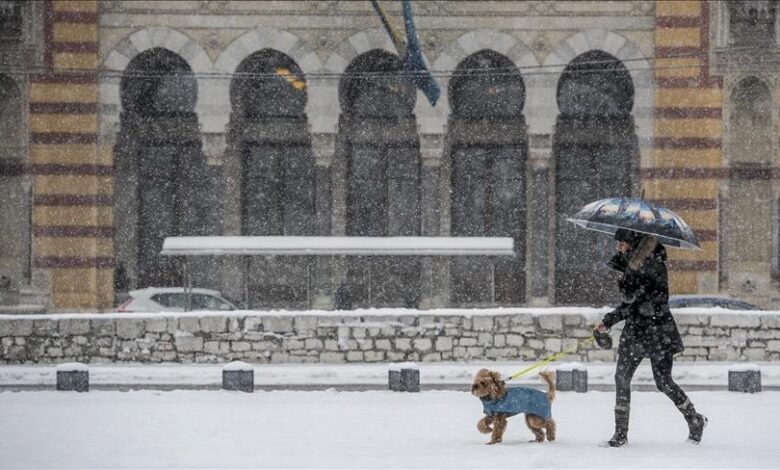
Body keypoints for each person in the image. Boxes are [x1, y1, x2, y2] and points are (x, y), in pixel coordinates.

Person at [594, 228, 707, 447]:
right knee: (622, 378)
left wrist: (610, 319)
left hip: (658, 332)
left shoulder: (654, 266)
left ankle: (694, 418)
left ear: (633, 243)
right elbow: (630, 304)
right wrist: (611, 316)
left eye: (622, 242)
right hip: (635, 331)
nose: (618, 247)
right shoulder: (630, 265)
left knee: (663, 382)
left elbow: (641, 304)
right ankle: (620, 434)